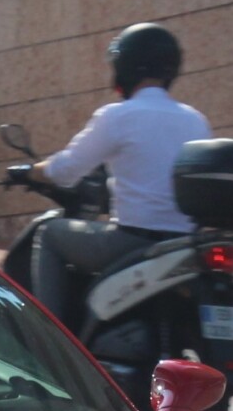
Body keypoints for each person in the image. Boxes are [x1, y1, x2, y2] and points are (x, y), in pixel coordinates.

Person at [28, 22, 209, 325]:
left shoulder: (117, 116)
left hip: (132, 241)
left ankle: (51, 341)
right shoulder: (195, 120)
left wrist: (33, 171)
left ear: (125, 66)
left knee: (48, 235)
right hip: (185, 245)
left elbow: (67, 170)